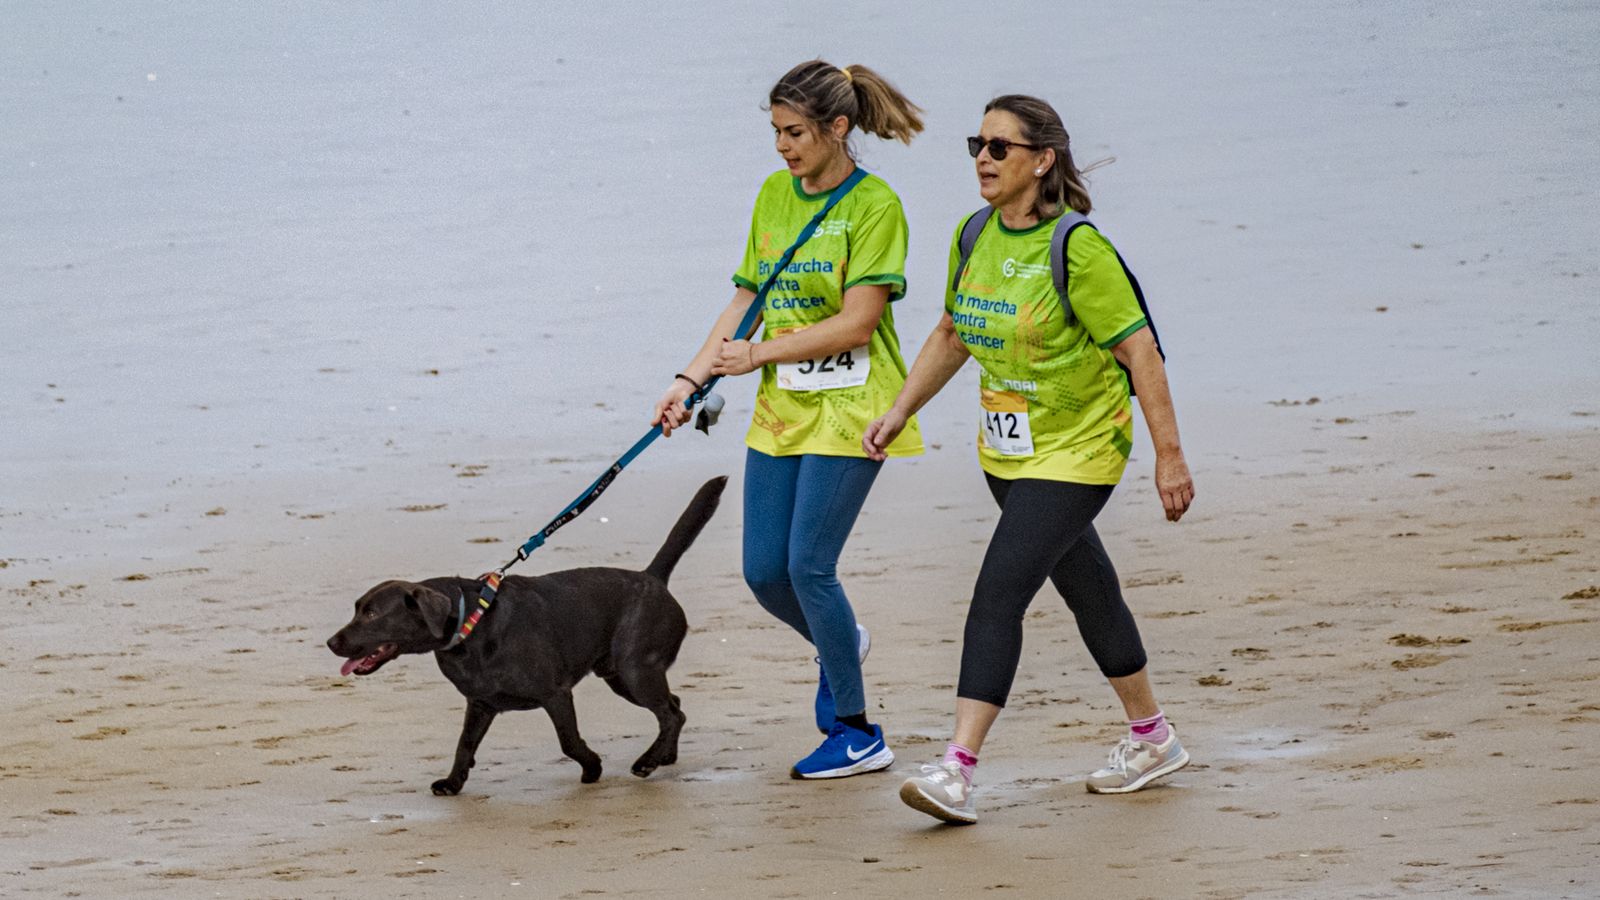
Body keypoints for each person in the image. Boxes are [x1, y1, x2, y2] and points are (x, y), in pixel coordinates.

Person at [863, 94, 1196, 824]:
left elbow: (1140, 350)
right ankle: (1152, 737)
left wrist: (1169, 458)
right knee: (1090, 591)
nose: (982, 159)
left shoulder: (1078, 248)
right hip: (1007, 452)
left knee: (997, 594)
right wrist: (900, 409)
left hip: (1080, 451)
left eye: (999, 147)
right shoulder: (973, 234)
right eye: (976, 145)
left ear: (1042, 160)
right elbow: (952, 333)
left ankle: (957, 769)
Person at [653, 60, 925, 780]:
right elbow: (747, 300)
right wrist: (690, 379)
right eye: (775, 131)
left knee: (809, 565)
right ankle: (843, 639)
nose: (782, 146)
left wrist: (758, 354)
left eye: (795, 132)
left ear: (838, 127)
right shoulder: (775, 195)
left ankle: (858, 732)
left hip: (855, 404)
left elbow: (859, 322)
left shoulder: (876, 206)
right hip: (783, 405)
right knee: (765, 572)